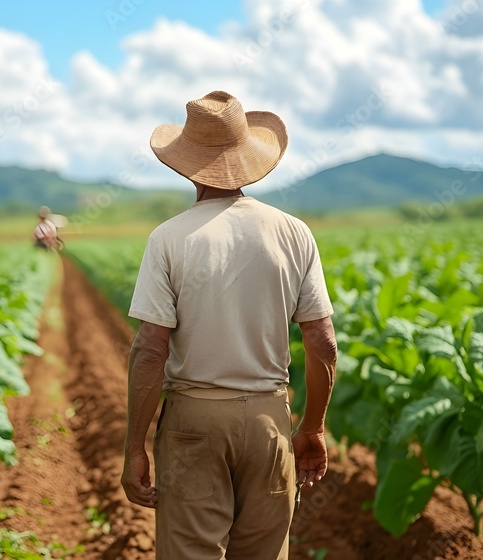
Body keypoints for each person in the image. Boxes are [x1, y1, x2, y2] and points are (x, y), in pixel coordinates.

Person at [120, 91, 337, 560]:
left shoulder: (169, 238)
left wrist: (134, 447)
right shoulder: (294, 232)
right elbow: (321, 340)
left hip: (193, 422)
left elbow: (150, 350)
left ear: (185, 166)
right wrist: (313, 427)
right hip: (269, 422)